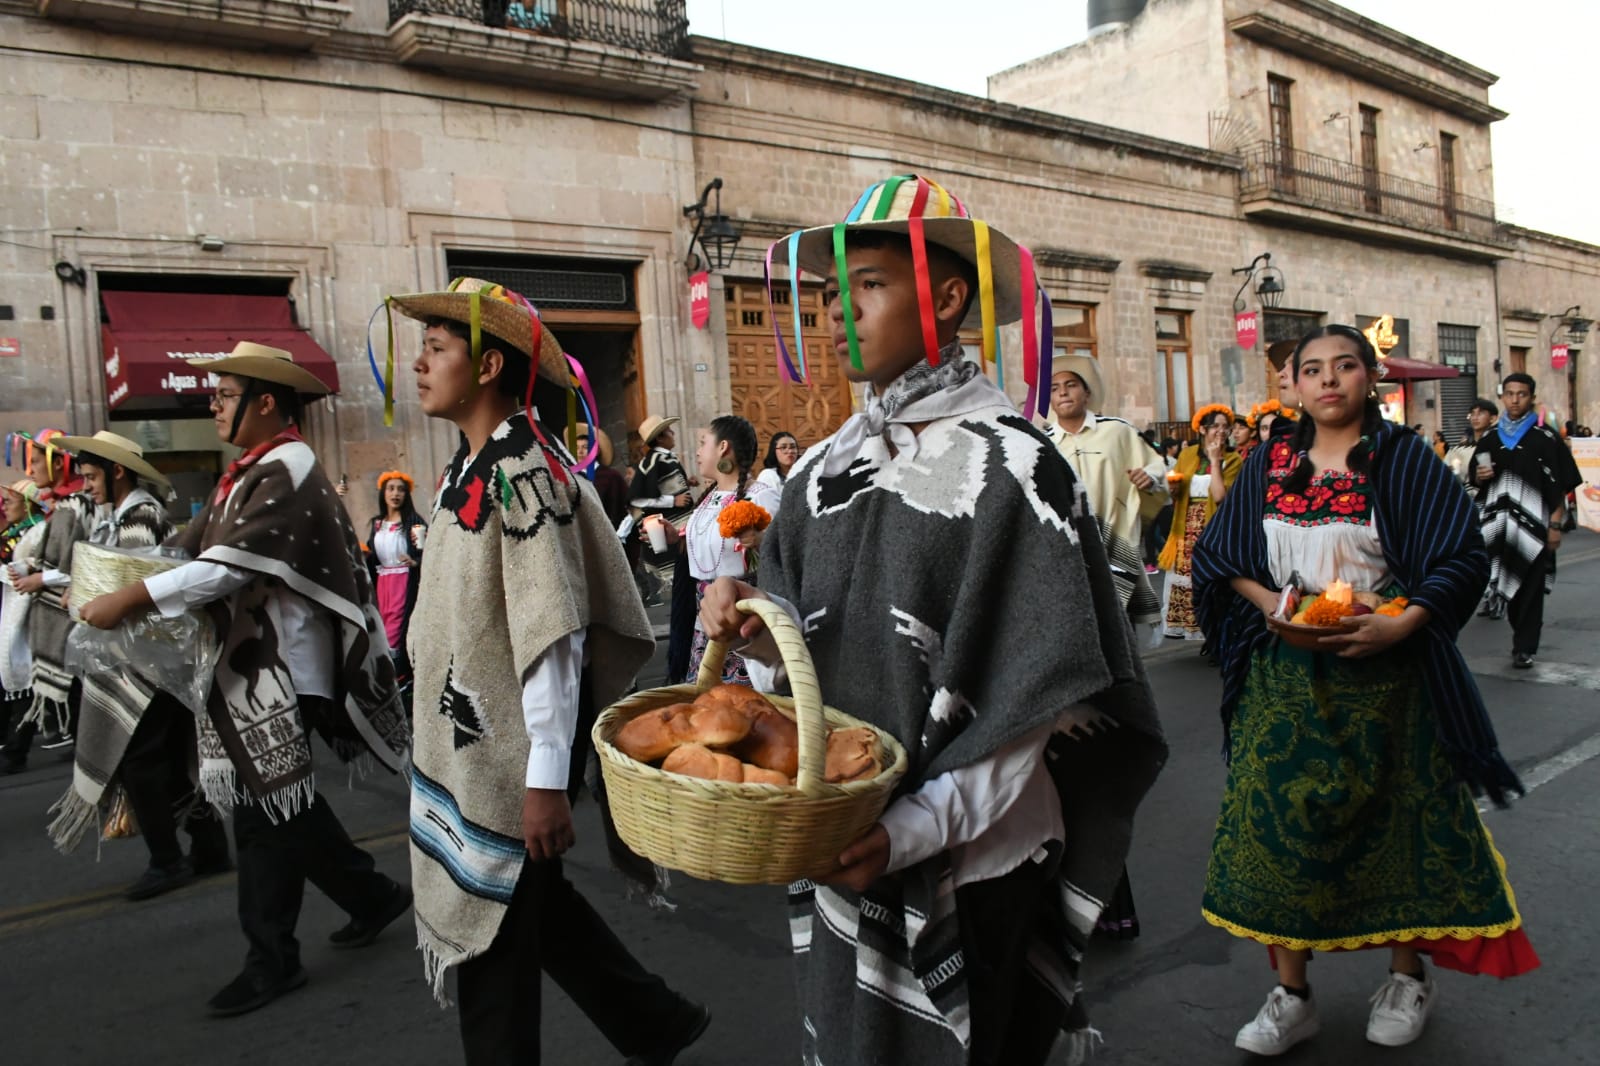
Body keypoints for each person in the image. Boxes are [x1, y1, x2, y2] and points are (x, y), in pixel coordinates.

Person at [701, 174, 1166, 1066]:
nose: (840, 311)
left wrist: (907, 831)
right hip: (839, 834)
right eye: (830, 293)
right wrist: (754, 625)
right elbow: (797, 662)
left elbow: (1033, 700)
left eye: (870, 285)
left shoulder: (1017, 467)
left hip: (975, 856)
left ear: (947, 299)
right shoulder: (817, 472)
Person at [1192, 324, 1538, 1057]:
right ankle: (1292, 995)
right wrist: (1271, 603)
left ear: (1369, 378)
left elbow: (1460, 555)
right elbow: (1221, 553)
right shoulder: (1271, 462)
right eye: (1312, 369)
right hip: (1283, 683)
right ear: (1292, 385)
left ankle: (1407, 978)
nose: (1328, 380)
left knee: (1398, 827)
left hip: (1389, 682)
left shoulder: (1404, 458)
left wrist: (1402, 620)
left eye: (1344, 365)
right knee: (1283, 835)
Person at [388, 276, 707, 1066]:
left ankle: (648, 1024)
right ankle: (655, 1022)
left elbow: (554, 636)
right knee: (538, 906)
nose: (419, 364)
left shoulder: (525, 471)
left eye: (437, 347)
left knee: (494, 953)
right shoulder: (471, 467)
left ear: (488, 366)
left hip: (511, 759)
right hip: (482, 745)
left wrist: (542, 782)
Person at [78, 341, 413, 1017]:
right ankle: (370, 895)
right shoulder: (247, 474)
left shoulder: (289, 467)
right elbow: (187, 551)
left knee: (265, 818)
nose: (214, 406)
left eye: (225, 395)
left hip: (284, 669)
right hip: (255, 666)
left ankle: (272, 961)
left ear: (265, 402)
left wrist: (130, 598)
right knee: (280, 806)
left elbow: (231, 565)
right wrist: (96, 583)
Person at [42, 431, 233, 896]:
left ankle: (167, 859)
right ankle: (207, 845)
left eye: (92, 477)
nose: (88, 486)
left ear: (117, 472)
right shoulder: (125, 516)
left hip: (148, 663)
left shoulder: (141, 517)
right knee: (165, 757)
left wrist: (88, 595)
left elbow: (134, 583)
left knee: (140, 760)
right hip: (146, 659)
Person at [650, 415, 779, 685]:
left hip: (741, 618)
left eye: (702, 442)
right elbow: (705, 545)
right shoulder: (709, 497)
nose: (697, 451)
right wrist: (675, 537)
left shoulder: (761, 495)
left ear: (723, 447)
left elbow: (782, 552)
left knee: (743, 701)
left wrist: (761, 539)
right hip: (704, 622)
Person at [1044, 353, 1166, 626]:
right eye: (1054, 388)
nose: (1063, 392)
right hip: (1069, 551)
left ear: (1087, 392)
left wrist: (1149, 478)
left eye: (1071, 385)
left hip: (1115, 544)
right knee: (1080, 626)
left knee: (1121, 627)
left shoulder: (1118, 432)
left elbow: (1157, 468)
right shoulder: (1043, 444)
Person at [1471, 373, 1583, 669]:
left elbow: (1560, 485)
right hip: (1498, 528)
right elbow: (1475, 479)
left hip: (1536, 527)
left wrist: (1555, 525)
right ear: (1502, 397)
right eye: (1509, 394)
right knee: (1509, 586)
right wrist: (1480, 476)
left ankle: (1524, 647)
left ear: (1531, 397)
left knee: (1531, 590)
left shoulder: (1545, 437)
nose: (1515, 400)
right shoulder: (1491, 439)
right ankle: (1519, 634)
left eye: (1521, 394)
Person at [11, 427, 95, 749]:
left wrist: (39, 579)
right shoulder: (62, 506)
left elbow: (79, 563)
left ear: (58, 462)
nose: (30, 470)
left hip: (75, 619)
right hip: (62, 619)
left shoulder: (76, 504)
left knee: (82, 698)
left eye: (35, 461)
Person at [1157, 405, 1242, 641]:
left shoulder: (1233, 459)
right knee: (1188, 581)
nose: (1221, 431)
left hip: (1214, 528)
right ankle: (1195, 630)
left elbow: (1220, 496)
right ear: (1203, 429)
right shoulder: (1187, 455)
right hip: (1186, 527)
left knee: (1213, 582)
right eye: (1215, 426)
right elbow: (1176, 489)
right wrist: (1173, 489)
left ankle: (1217, 635)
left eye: (1226, 427)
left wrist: (1215, 461)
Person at [630, 413, 697, 676]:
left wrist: (685, 486)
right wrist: (673, 502)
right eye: (669, 432)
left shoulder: (663, 460)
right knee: (681, 597)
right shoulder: (655, 461)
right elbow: (638, 499)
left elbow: (665, 487)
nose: (673, 435)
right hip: (672, 536)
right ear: (659, 438)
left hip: (679, 534)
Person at [365, 470, 427, 689]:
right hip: (382, 585)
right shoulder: (377, 524)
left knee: (397, 629)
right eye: (391, 489)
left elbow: (426, 552)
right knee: (382, 627)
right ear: (383, 493)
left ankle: (399, 677)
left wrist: (415, 561)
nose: (395, 494)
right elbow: (372, 555)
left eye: (400, 490)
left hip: (403, 583)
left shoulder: (414, 523)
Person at [0, 478, 46, 774]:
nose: (4, 506)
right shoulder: (16, 533)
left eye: (10, 501)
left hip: (32, 616)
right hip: (14, 613)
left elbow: (36, 567)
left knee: (28, 683)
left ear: (29, 504)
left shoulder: (39, 531)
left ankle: (16, 751)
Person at [1445, 398, 1497, 487]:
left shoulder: (1498, 447)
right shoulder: (1457, 450)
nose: (1475, 418)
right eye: (1472, 414)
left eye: (1480, 413)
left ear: (1492, 418)